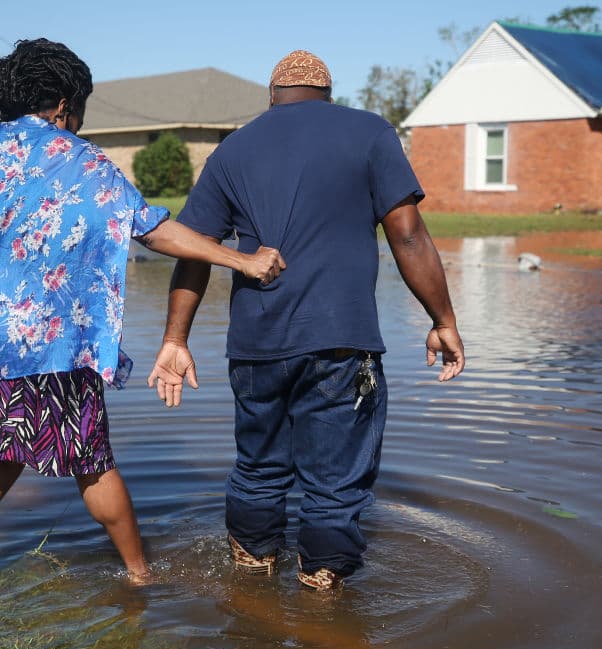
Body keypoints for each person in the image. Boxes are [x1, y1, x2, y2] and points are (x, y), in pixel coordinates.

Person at [0, 38, 285, 615]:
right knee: (89, 457)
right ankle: (142, 576)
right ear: (65, 102)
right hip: (43, 343)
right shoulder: (78, 159)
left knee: (4, 449)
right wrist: (242, 261)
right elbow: (150, 230)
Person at [147, 50, 464, 591]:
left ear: (271, 97)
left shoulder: (233, 149)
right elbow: (407, 233)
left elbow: (194, 250)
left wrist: (175, 338)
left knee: (258, 469)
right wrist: (442, 318)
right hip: (342, 344)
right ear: (328, 94)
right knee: (334, 484)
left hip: (256, 346)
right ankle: (322, 598)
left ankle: (252, 584)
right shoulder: (369, 134)